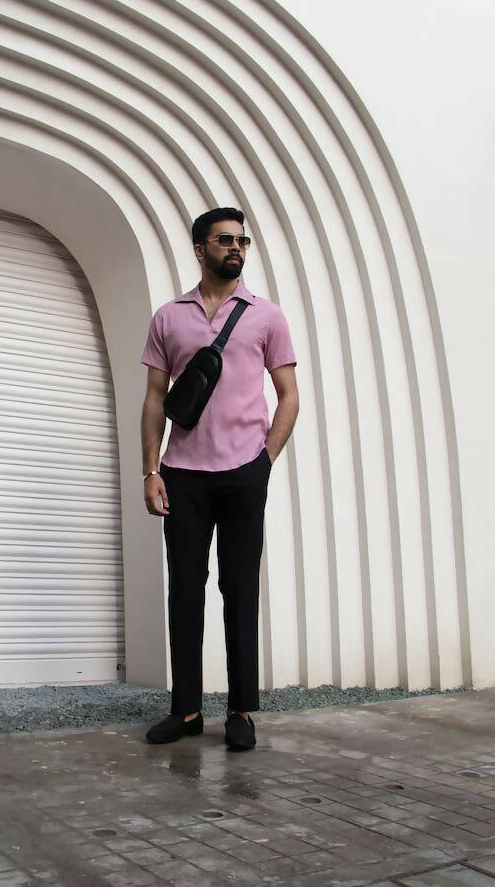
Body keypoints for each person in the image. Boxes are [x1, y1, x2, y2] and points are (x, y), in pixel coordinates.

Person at [140, 207, 299, 750]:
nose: (236, 248)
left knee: (239, 589)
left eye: (242, 241)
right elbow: (155, 399)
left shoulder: (266, 316)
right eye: (224, 240)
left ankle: (240, 711)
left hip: (242, 475)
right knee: (185, 590)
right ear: (199, 248)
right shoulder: (168, 316)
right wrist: (151, 469)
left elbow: (289, 395)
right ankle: (185, 711)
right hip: (182, 475)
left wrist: (265, 459)